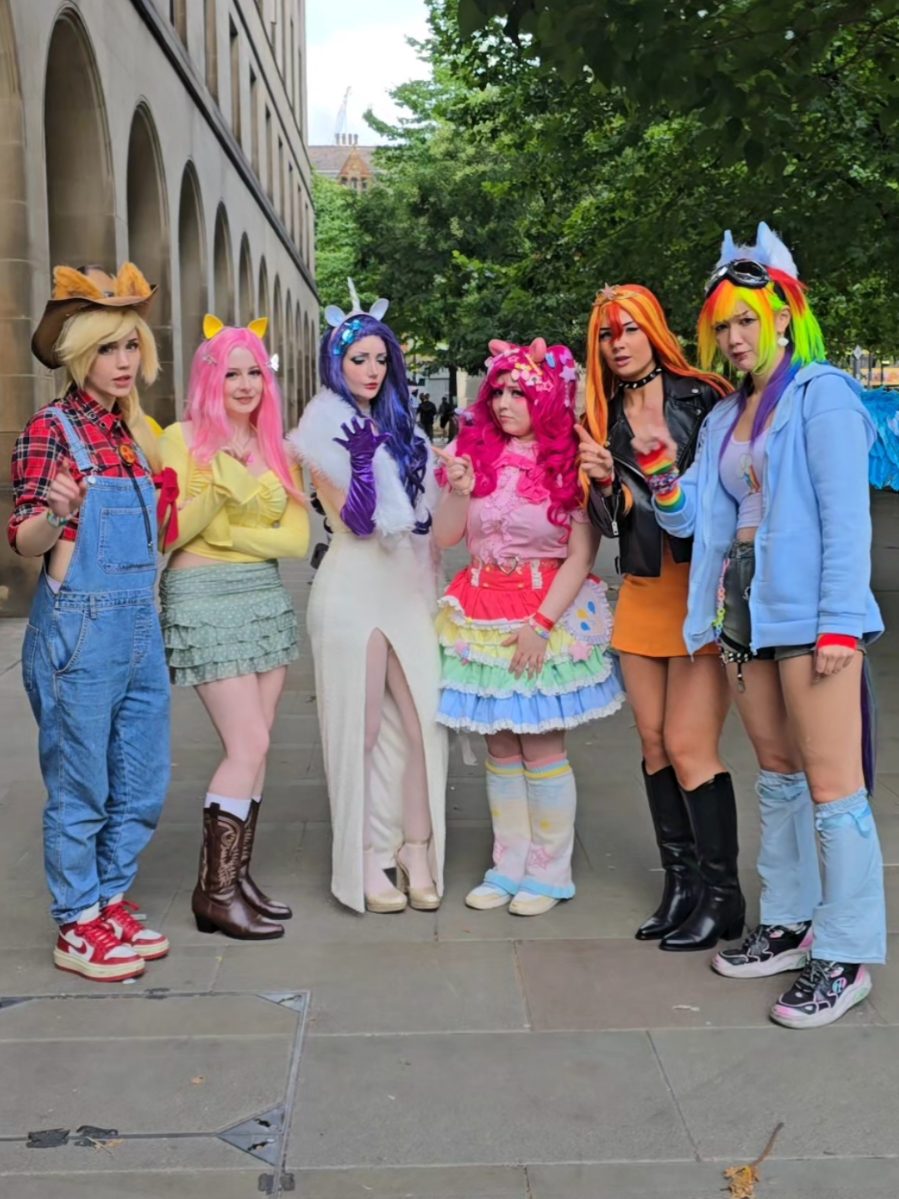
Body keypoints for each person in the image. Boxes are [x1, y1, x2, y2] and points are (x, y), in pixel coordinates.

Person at [635, 223, 886, 1027]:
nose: (735, 337)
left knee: (833, 786)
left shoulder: (822, 395)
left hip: (810, 611)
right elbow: (697, 525)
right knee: (776, 774)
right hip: (741, 606)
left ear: (783, 314)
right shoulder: (723, 417)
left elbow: (847, 520)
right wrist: (660, 477)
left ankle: (844, 955)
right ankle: (787, 921)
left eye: (747, 318)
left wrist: (839, 625)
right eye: (723, 325)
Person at [10, 263, 171, 982]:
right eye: (108, 348)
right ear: (80, 355)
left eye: (131, 345)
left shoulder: (132, 432)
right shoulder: (52, 429)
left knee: (141, 779)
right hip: (79, 631)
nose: (123, 361)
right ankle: (76, 921)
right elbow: (25, 541)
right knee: (81, 786)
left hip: (138, 624)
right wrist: (57, 512)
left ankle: (108, 897)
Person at [433, 338, 625, 916]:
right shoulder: (476, 454)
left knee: (540, 744)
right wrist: (459, 489)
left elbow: (581, 555)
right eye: (498, 392)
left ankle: (549, 870)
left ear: (545, 398)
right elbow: (445, 536)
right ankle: (508, 864)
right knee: (499, 741)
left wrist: (541, 626)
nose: (504, 403)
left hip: (544, 610)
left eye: (519, 393)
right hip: (482, 607)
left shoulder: (568, 460)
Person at [577, 285, 740, 951]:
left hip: (700, 590)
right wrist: (601, 483)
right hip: (644, 589)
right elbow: (609, 521)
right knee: (652, 744)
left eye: (629, 329)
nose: (618, 343)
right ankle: (682, 886)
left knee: (688, 744)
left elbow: (720, 498)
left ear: (652, 329)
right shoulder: (601, 414)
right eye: (606, 333)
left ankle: (723, 897)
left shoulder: (704, 398)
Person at [290, 287, 448, 914]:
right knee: (361, 728)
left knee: (424, 723)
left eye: (381, 359)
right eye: (359, 359)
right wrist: (359, 465)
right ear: (337, 363)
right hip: (353, 589)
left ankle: (416, 848)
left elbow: (432, 526)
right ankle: (363, 856)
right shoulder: (321, 429)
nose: (372, 370)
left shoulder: (406, 430)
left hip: (406, 588)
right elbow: (357, 524)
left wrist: (458, 484)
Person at [157, 316, 309, 940]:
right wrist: (221, 492)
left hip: (263, 599)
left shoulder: (278, 446)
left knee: (259, 743)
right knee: (246, 745)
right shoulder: (181, 439)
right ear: (209, 379)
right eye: (231, 373)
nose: (245, 384)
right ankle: (214, 893)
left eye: (254, 372)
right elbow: (172, 533)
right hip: (201, 597)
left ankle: (235, 880)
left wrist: (226, 533)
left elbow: (296, 541)